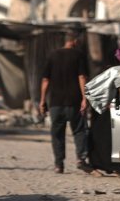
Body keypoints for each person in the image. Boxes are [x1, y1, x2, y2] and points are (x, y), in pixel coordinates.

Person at [39, 31, 93, 174]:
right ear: (74, 41)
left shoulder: (52, 55)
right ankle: (81, 159)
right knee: (79, 131)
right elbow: (82, 77)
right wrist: (84, 98)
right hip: (73, 102)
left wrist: (42, 100)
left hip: (56, 103)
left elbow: (45, 80)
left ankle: (59, 164)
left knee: (57, 134)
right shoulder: (79, 55)